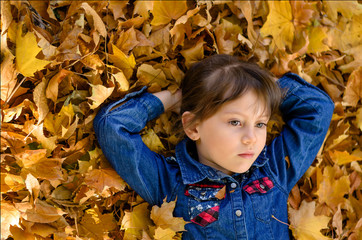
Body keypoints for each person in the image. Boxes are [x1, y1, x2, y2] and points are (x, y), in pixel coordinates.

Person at [93, 54, 334, 239]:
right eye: (235, 122)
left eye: (260, 124)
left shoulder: (274, 171)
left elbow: (318, 109)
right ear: (193, 127)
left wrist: (259, 83)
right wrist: (172, 99)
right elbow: (113, 126)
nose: (251, 137)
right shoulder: (171, 185)